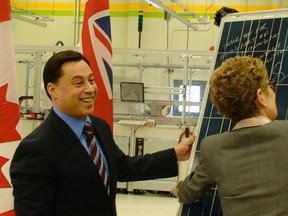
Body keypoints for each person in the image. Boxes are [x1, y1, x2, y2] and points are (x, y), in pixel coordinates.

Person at [10, 50, 195, 216]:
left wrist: (175, 154)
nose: (90, 89)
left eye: (91, 80)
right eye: (78, 83)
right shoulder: (36, 149)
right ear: (53, 90)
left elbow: (122, 167)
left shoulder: (98, 127)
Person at [175, 56, 288, 215]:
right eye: (270, 86)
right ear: (260, 96)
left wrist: (179, 189)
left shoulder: (213, 147)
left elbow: (188, 193)